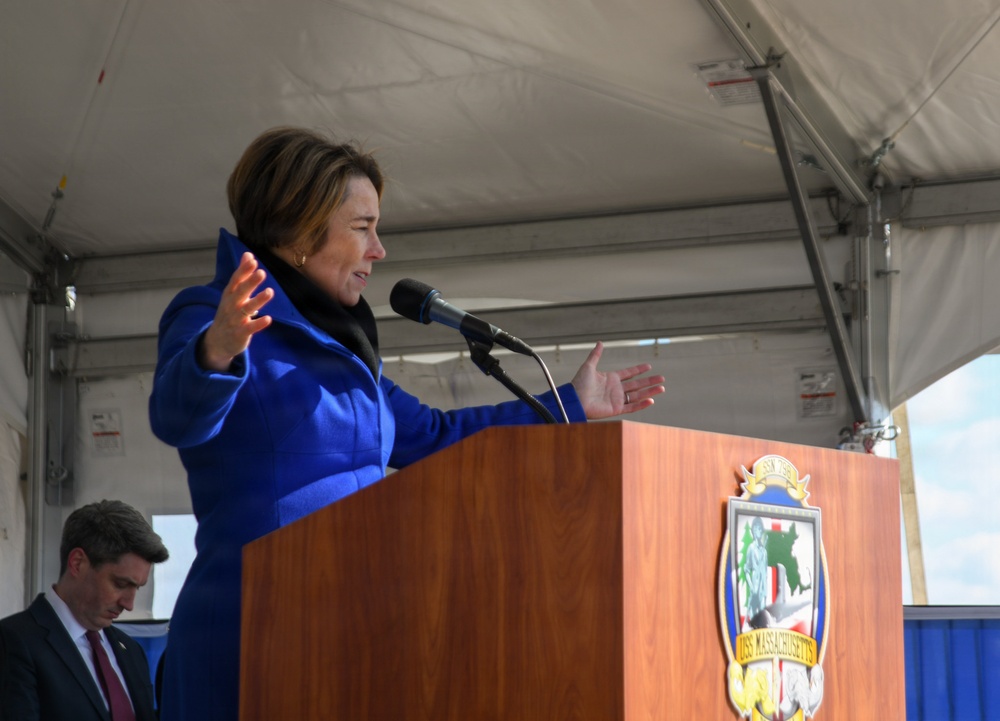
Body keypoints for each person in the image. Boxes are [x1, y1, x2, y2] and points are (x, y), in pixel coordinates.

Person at [148, 126, 665, 721]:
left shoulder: (345, 353)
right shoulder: (211, 315)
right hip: (252, 630)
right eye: (363, 227)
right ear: (298, 232)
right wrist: (217, 349)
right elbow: (178, 419)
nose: (380, 251)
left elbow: (436, 437)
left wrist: (568, 404)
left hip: (359, 629)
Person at [0, 499, 170, 721]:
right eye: (120, 584)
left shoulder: (131, 650)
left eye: (137, 588)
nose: (129, 604)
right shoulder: (13, 641)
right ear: (78, 562)